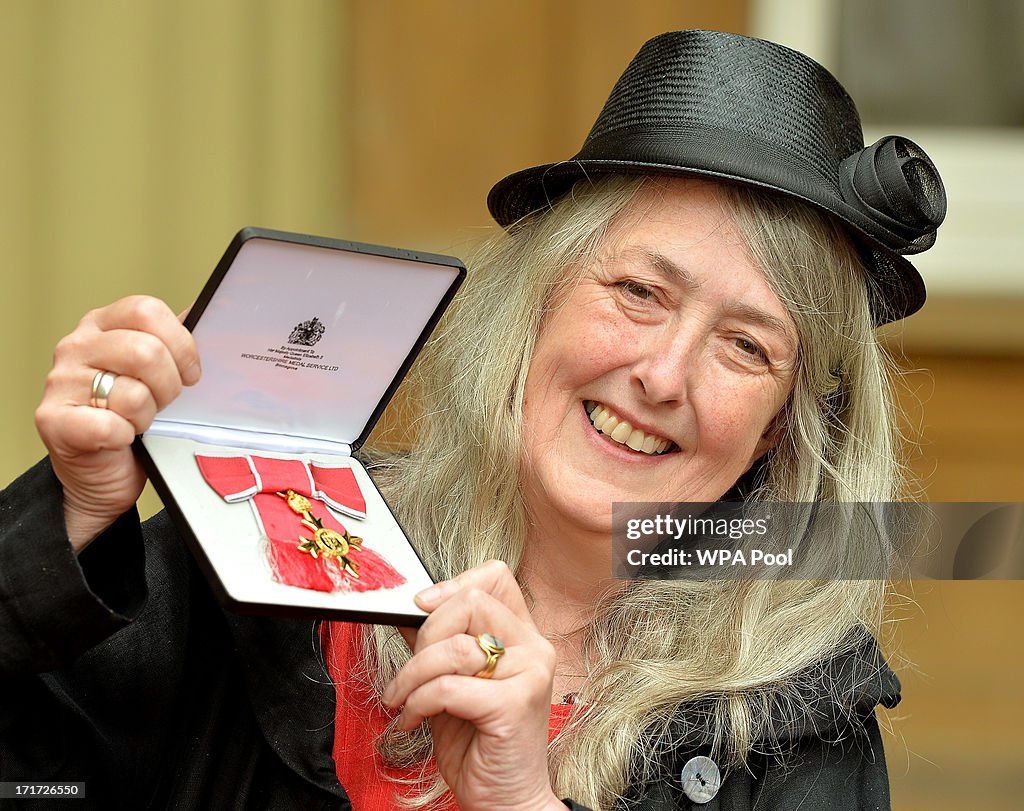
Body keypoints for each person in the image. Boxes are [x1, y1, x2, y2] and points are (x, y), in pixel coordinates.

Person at [0, 29, 945, 810]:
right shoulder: (276, 549)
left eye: (746, 346)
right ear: (538, 301)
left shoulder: (805, 722)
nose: (662, 376)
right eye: (639, 291)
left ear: (779, 426)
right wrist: (77, 518)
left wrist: (522, 802)